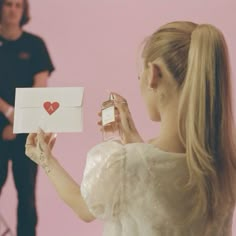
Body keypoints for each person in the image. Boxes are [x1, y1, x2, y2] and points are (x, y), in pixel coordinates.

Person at [25, 21, 236, 236]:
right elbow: (161, 175)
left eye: (139, 76)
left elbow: (84, 208)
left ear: (153, 74)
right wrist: (133, 139)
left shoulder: (123, 164)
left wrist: (46, 159)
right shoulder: (226, 161)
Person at [0, 0, 54, 235]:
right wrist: (8, 113)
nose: (13, 9)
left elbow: (40, 87)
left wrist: (18, 121)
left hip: (26, 130)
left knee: (27, 196)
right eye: (8, 4)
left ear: (23, 11)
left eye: (18, 5)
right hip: (2, 124)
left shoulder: (35, 45)